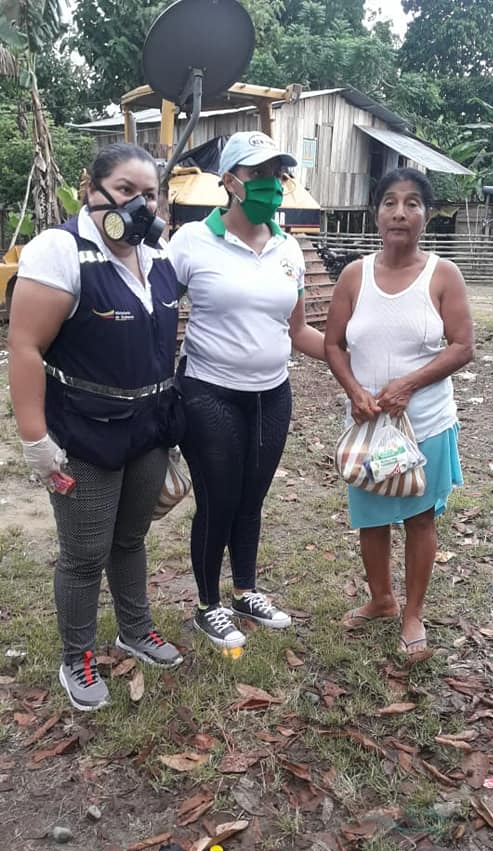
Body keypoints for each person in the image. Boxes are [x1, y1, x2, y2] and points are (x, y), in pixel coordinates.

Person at [8, 143, 183, 712]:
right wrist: (35, 439)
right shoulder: (61, 250)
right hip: (85, 434)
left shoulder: (156, 253)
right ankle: (77, 657)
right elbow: (25, 346)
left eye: (149, 194)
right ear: (92, 189)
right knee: (84, 554)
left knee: (130, 540)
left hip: (149, 429)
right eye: (126, 190)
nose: (139, 205)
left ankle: (135, 629)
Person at [168, 131, 325, 653]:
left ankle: (244, 592)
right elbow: (157, 309)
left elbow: (298, 331)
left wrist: (350, 359)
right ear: (230, 181)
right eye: (258, 174)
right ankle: (207, 605)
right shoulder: (192, 242)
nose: (271, 185)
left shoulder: (288, 248)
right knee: (219, 499)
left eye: (277, 175)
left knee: (252, 497)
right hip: (209, 393)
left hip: (271, 395)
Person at [325, 168, 474, 655]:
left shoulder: (443, 275)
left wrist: (409, 383)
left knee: (419, 518)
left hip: (425, 424)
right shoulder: (355, 275)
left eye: (412, 203)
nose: (400, 213)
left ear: (426, 215)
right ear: (376, 212)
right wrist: (354, 391)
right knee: (371, 517)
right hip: (367, 424)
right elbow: (333, 344)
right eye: (390, 202)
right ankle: (381, 600)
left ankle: (413, 614)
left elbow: (462, 346)